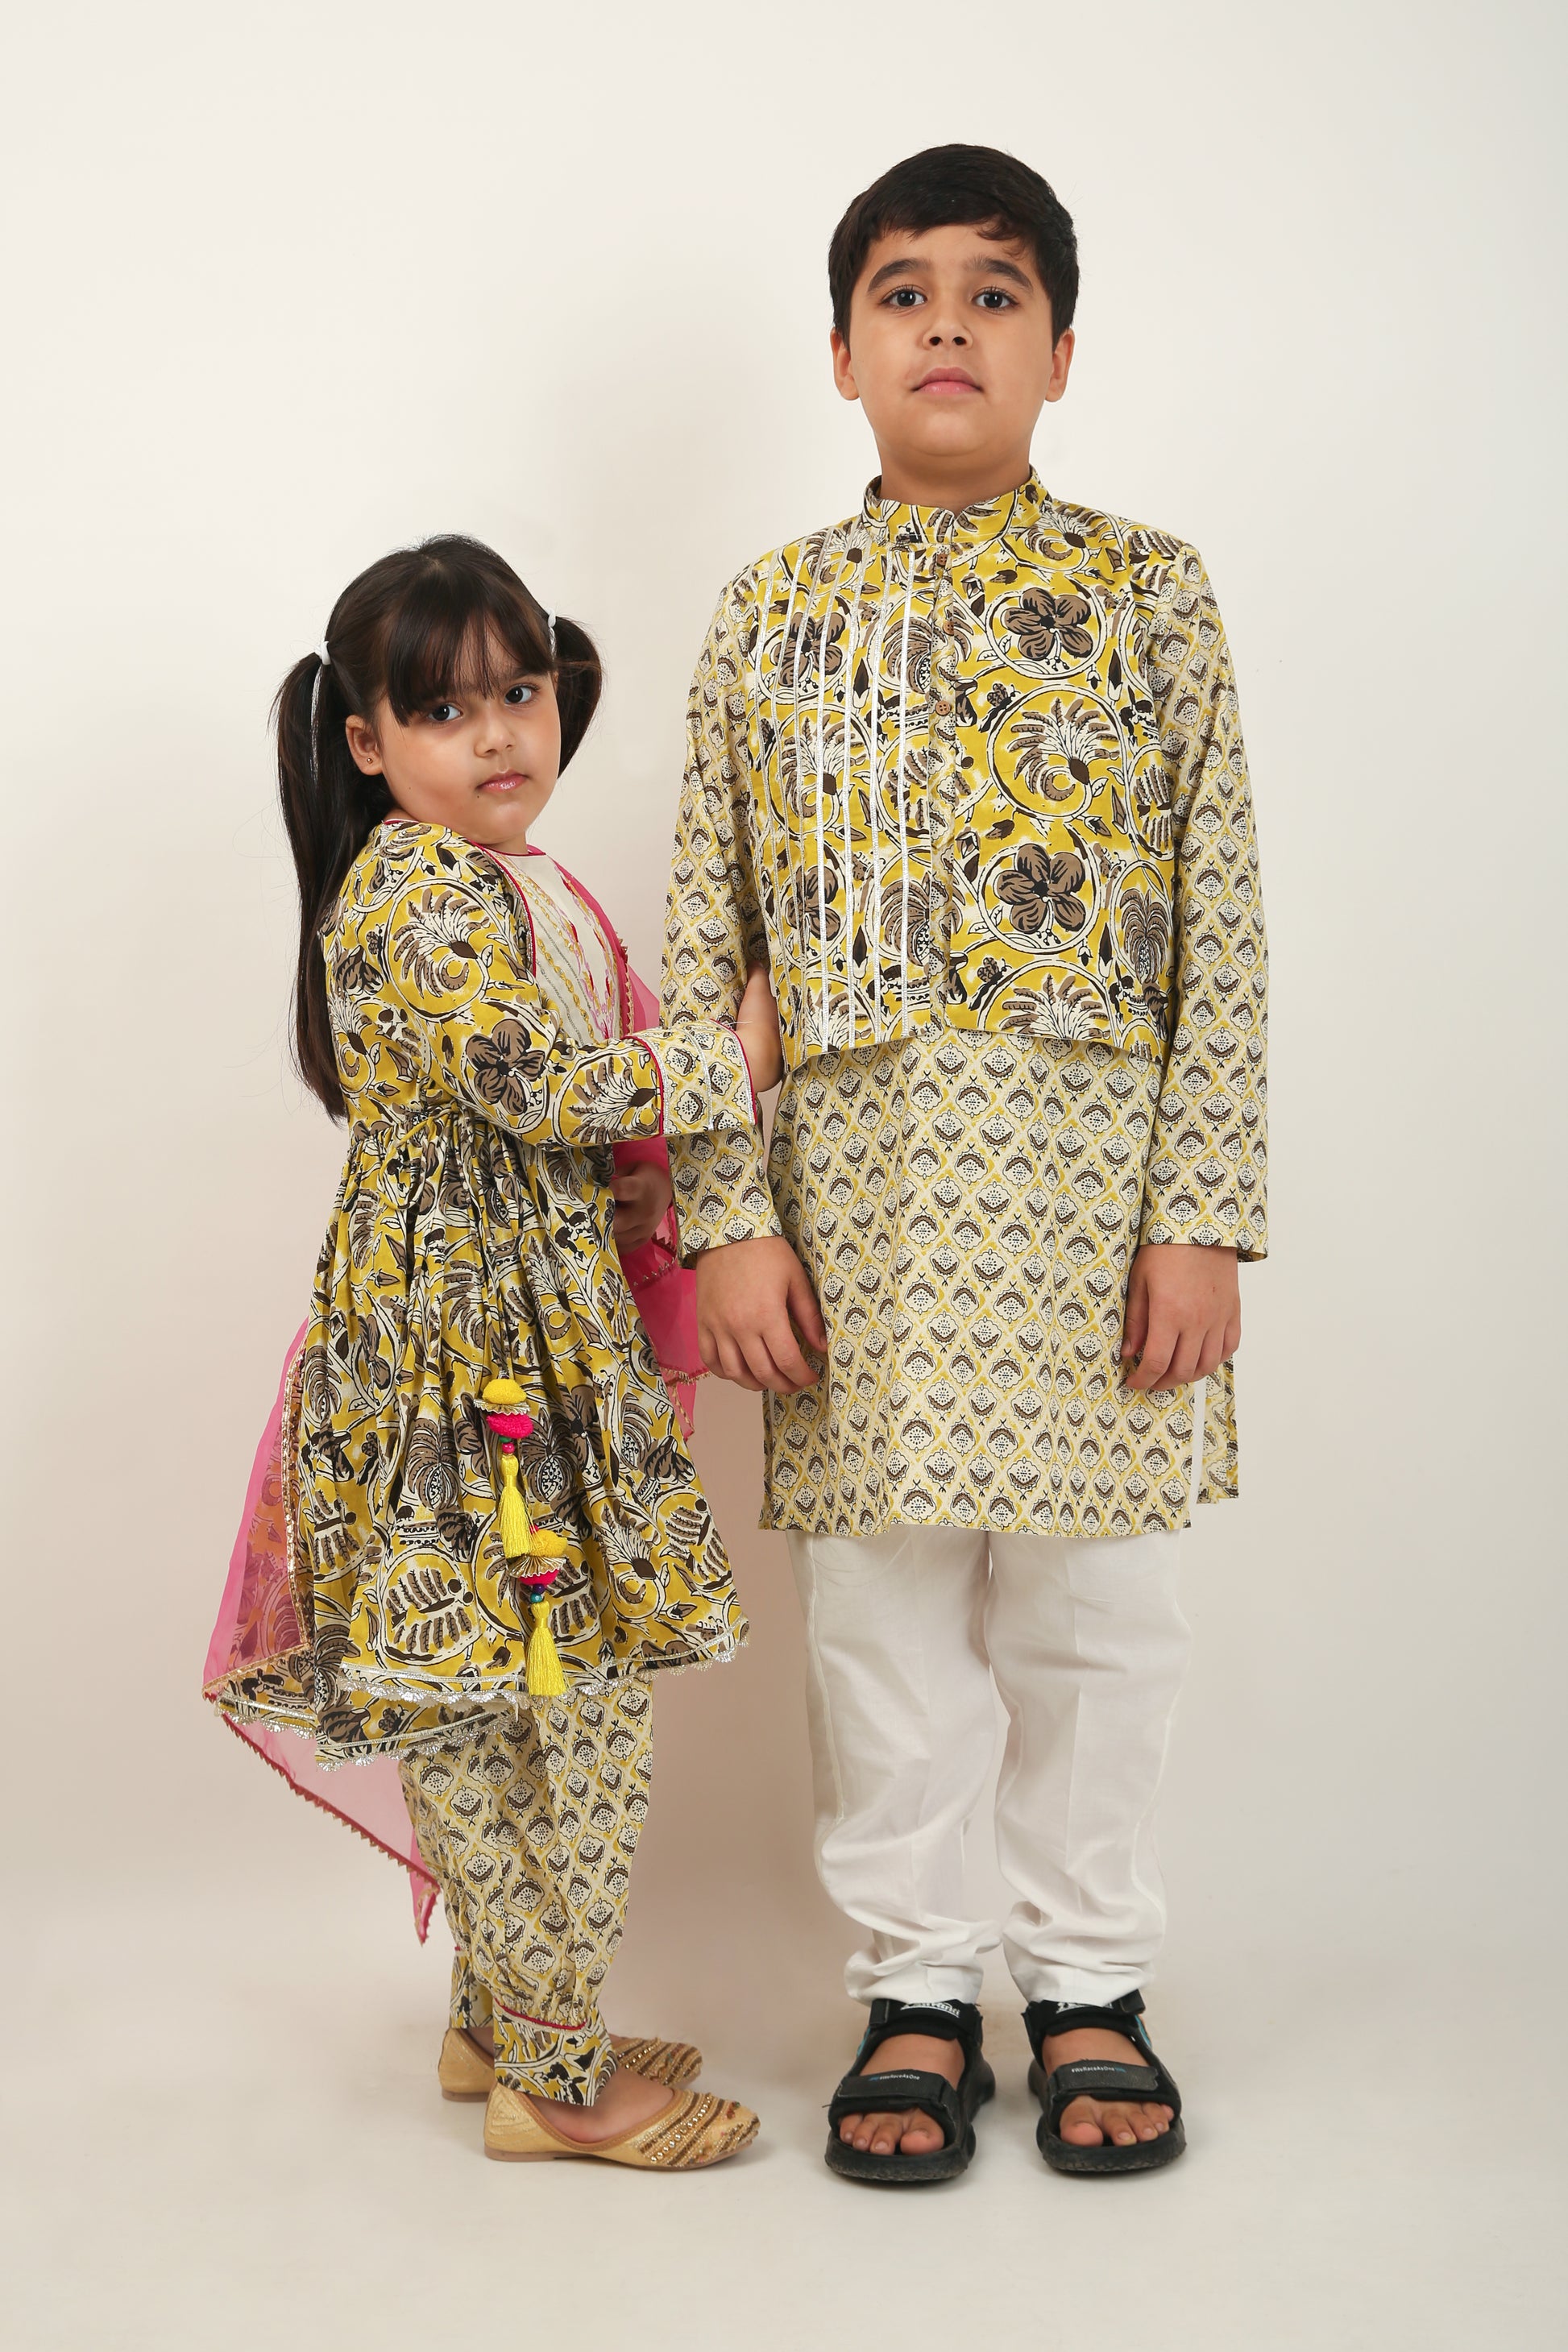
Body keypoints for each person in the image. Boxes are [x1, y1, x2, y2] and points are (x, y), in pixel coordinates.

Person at [662, 145, 1267, 2182]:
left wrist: (1201, 1210)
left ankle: (1089, 1976)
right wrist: (727, 1216)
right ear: (840, 353)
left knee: (1098, 1617)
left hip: (1100, 1195)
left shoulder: (1154, 591)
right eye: (902, 291)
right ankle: (917, 1984)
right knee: (879, 1619)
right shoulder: (765, 615)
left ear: (1060, 351)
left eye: (994, 292)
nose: (946, 323)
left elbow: (1222, 922)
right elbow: (702, 938)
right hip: (853, 1203)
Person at [206, 534, 780, 2170]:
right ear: (367, 742)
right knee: (543, 1700)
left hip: (514, 1340)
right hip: (471, 1380)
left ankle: (506, 2018)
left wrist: (641, 1176)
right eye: (444, 709)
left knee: (517, 1689)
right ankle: (554, 2074)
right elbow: (540, 1084)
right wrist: (728, 1058)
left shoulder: (511, 880)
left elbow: (522, 1110)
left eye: (519, 692)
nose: (499, 734)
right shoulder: (417, 890)